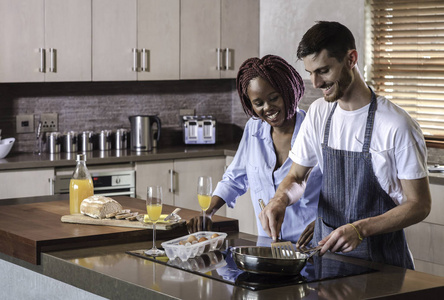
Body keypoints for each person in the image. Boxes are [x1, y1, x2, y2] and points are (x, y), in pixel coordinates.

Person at [260, 21, 432, 269]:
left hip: (382, 266)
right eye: (310, 73)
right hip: (327, 259)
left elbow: (419, 205)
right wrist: (280, 200)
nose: (316, 83)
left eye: (323, 71)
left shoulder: (396, 125)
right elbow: (297, 177)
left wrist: (360, 229)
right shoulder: (319, 113)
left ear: (351, 59)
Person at [187, 55, 322, 243]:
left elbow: (340, 192)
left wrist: (325, 224)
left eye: (274, 98)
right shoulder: (253, 129)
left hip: (310, 246)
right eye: (258, 103)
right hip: (268, 246)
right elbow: (234, 178)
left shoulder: (315, 131)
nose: (267, 108)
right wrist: (208, 213)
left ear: (289, 92)